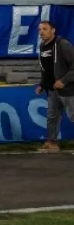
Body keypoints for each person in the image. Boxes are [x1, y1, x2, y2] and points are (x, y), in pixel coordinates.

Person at [35, 21, 74, 153]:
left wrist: (64, 80)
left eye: (45, 29)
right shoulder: (42, 46)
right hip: (52, 90)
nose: (41, 32)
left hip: (69, 90)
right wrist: (42, 84)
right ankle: (52, 143)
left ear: (53, 30)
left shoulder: (62, 44)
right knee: (52, 117)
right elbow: (46, 69)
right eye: (39, 30)